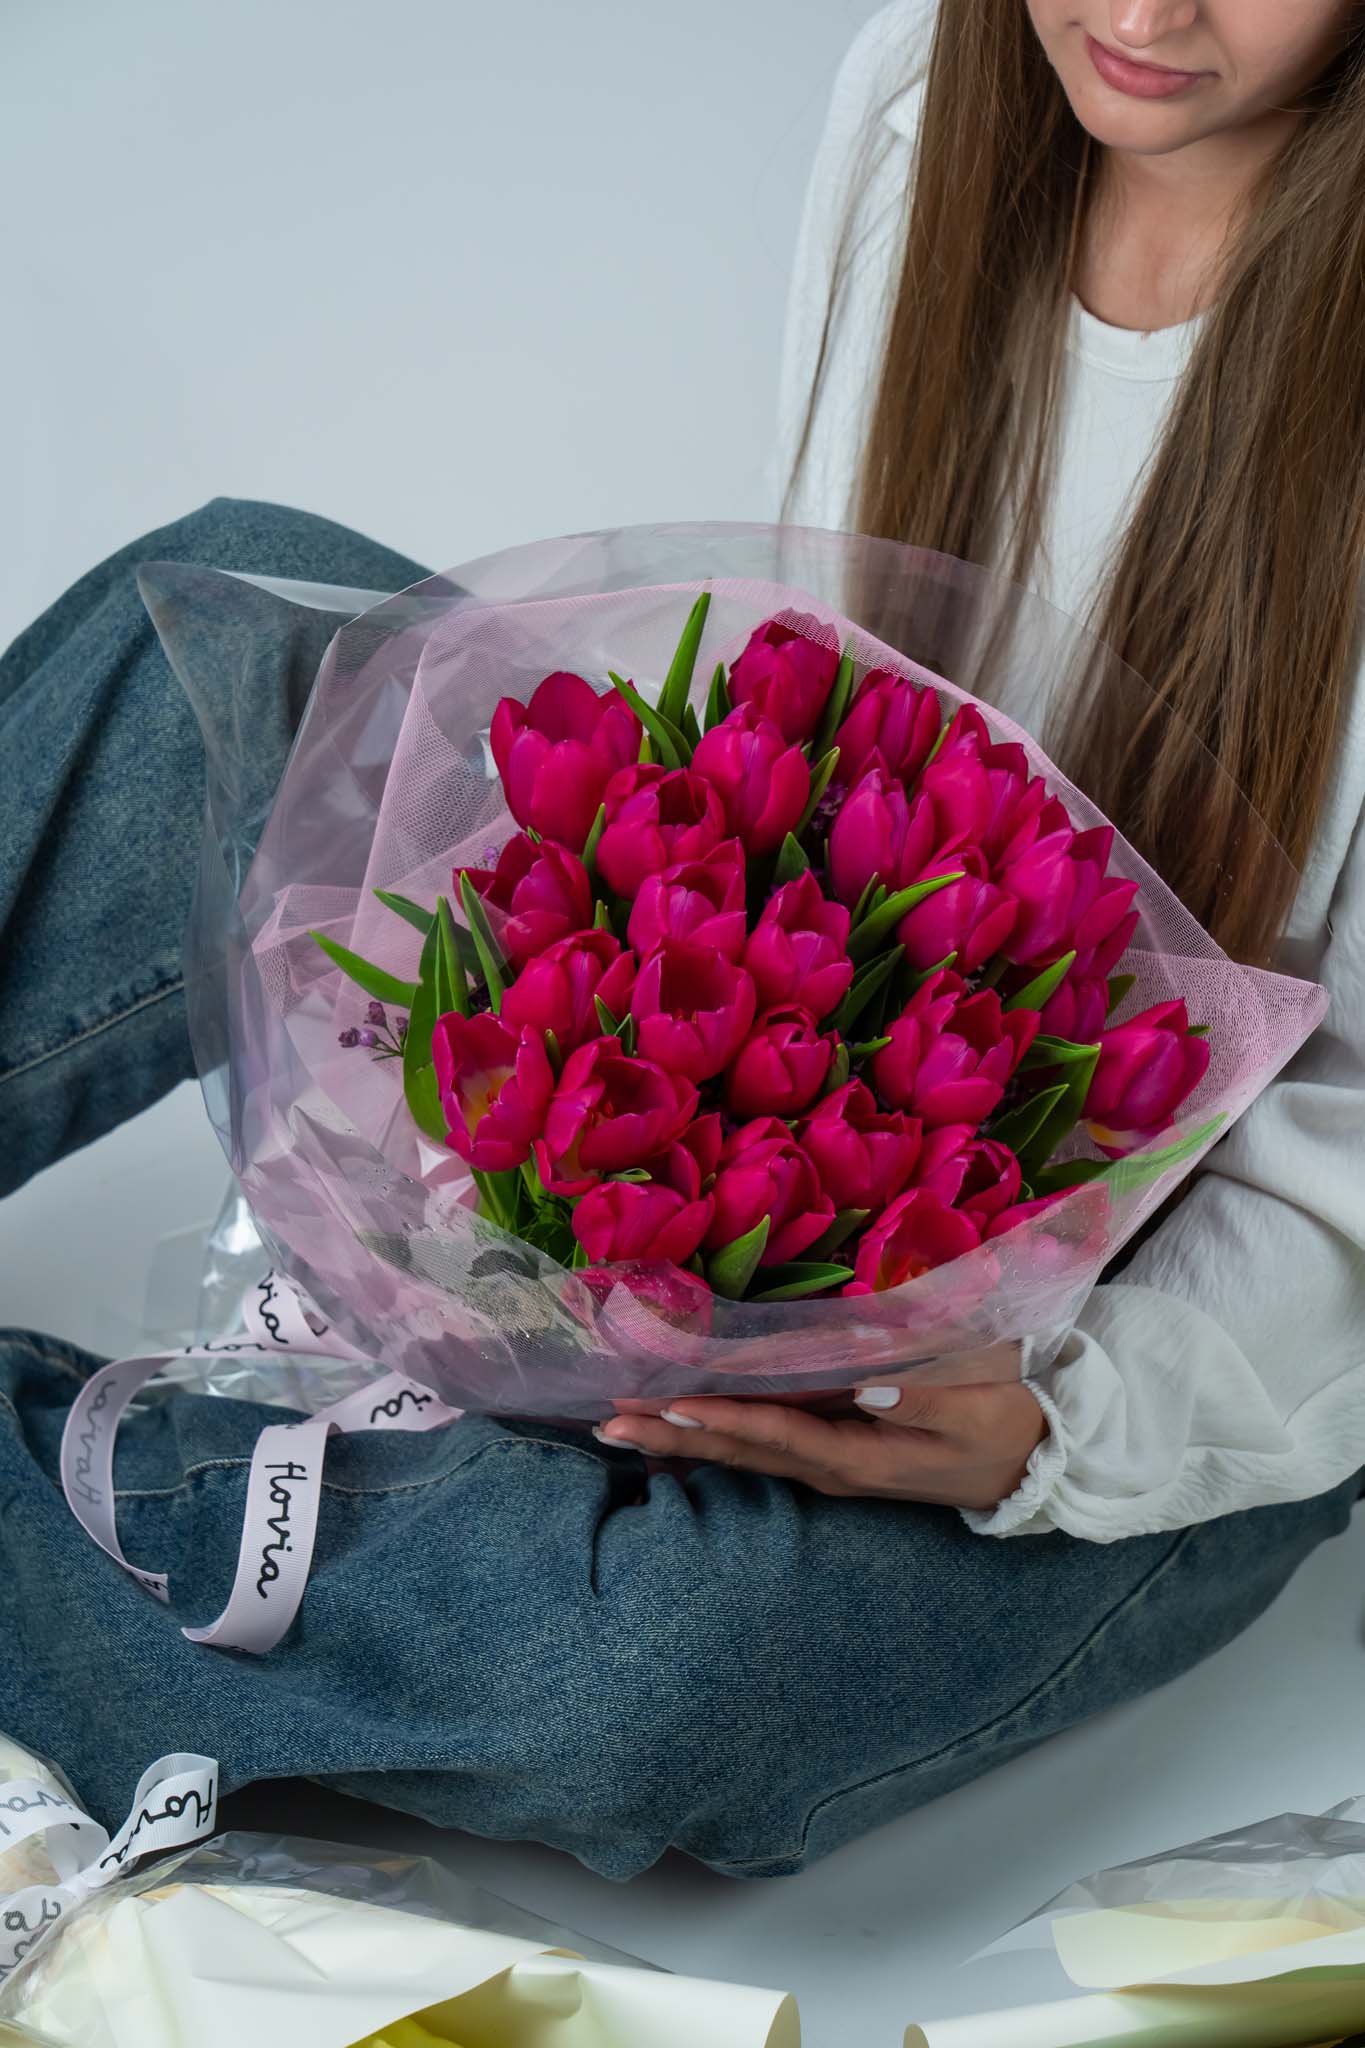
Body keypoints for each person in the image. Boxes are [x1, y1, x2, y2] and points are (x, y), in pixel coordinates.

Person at [0, 0, 1361, 1880]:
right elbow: (819, 705)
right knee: (218, 655)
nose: (1137, 14)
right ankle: (353, 1517)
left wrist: (1048, 1414)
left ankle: (258, 1514)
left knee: (666, 1671)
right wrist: (572, 1043)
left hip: (1162, 1338)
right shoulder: (919, 99)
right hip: (784, 1110)